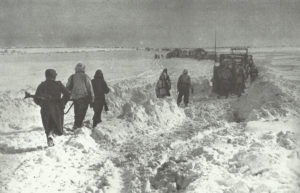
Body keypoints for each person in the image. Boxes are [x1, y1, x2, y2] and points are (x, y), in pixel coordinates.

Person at [34, 69, 70, 147]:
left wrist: (42, 104)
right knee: (57, 125)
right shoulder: (58, 84)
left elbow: (36, 98)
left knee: (47, 125)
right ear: (54, 76)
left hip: (45, 109)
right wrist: (62, 103)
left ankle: (49, 138)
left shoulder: (42, 85)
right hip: (56, 108)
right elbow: (67, 94)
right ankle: (51, 134)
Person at [66, 63, 94, 130]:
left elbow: (67, 87)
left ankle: (76, 125)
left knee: (77, 112)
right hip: (84, 98)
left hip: (76, 98)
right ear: (83, 69)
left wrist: (70, 95)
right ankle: (78, 126)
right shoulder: (85, 76)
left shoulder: (72, 77)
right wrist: (92, 99)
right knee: (82, 112)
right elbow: (90, 88)